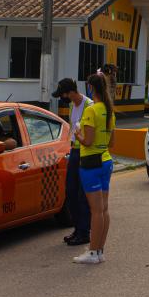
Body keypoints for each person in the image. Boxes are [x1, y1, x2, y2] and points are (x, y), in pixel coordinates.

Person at [73, 73, 116, 264]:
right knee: (103, 209)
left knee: (95, 210)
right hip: (106, 160)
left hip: (90, 162)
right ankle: (99, 250)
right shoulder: (109, 110)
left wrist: (78, 134)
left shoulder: (91, 111)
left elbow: (87, 141)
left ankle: (92, 252)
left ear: (91, 87)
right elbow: (111, 142)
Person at [52, 78, 93, 246]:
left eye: (63, 95)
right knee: (71, 191)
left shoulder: (89, 106)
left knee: (82, 195)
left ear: (69, 92)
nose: (63, 98)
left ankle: (84, 232)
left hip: (86, 152)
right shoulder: (71, 106)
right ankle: (77, 228)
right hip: (75, 152)